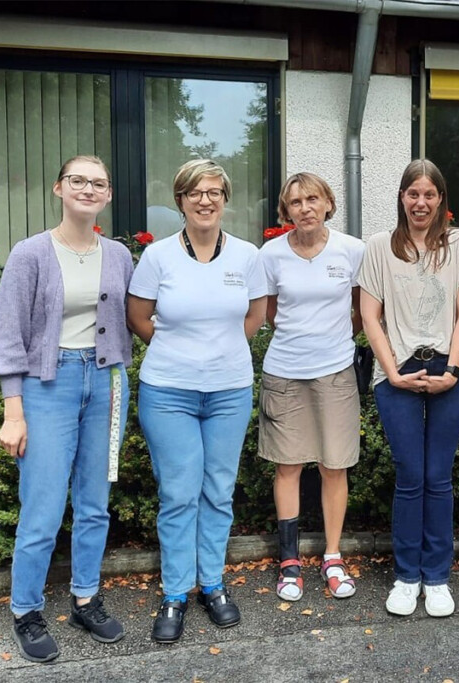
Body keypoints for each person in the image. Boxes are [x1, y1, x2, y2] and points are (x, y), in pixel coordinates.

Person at [0, 155, 133, 663]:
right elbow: (7, 335)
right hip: (47, 384)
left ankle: (86, 598)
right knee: (44, 506)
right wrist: (14, 410)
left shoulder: (117, 255)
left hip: (107, 379)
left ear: (108, 195)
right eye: (78, 181)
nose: (88, 189)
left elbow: (133, 318)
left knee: (94, 502)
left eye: (98, 183)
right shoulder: (31, 253)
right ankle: (26, 610)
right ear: (59, 188)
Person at [127, 159, 267, 643]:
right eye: (194, 193)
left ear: (225, 199)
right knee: (180, 492)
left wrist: (220, 352)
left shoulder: (248, 256)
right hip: (169, 392)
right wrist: (178, 352)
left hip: (229, 391)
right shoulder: (158, 256)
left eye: (214, 192)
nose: (205, 200)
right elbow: (139, 316)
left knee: (218, 490)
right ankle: (175, 592)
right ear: (181, 200)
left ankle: (212, 583)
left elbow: (254, 316)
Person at [359, 159, 459, 618]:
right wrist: (391, 373)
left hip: (451, 367)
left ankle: (439, 577)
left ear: (441, 199)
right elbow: (371, 315)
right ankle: (407, 576)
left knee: (439, 475)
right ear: (401, 198)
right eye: (413, 194)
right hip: (398, 370)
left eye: (430, 194)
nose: (421, 202)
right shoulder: (379, 247)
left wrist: (452, 369)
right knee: (411, 476)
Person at [257, 172, 364, 603]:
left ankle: (333, 556)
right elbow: (269, 314)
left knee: (334, 466)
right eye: (296, 202)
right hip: (284, 372)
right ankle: (289, 561)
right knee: (288, 466)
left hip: (336, 372)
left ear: (327, 204)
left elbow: (361, 310)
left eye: (312, 199)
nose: (304, 208)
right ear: (286, 211)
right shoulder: (270, 255)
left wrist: (333, 338)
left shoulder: (351, 250)